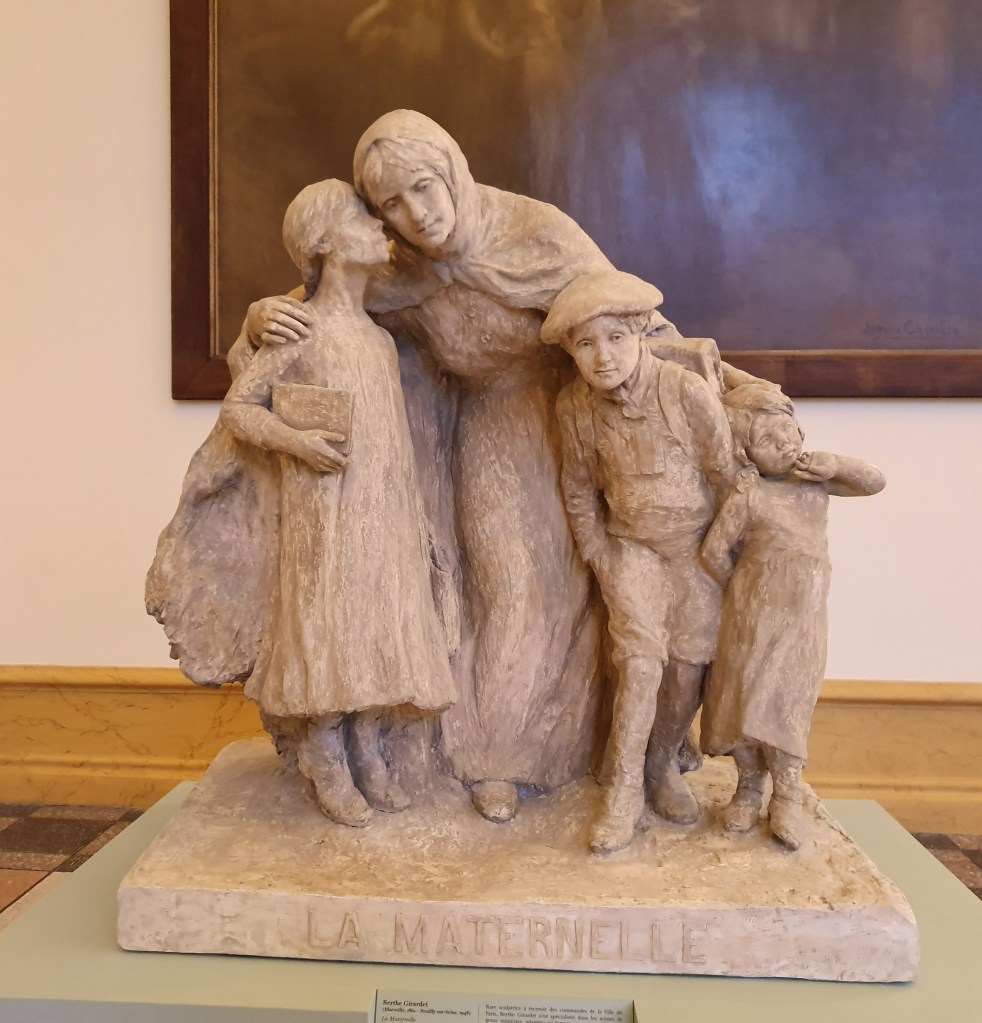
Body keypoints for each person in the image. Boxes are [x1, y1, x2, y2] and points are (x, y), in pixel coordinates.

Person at [235, 110, 617, 824]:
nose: (416, 215)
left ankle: (548, 757)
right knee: (490, 583)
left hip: (557, 412)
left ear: (452, 170)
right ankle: (478, 756)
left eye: (424, 187)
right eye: (391, 204)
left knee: (553, 584)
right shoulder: (394, 265)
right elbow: (311, 306)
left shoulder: (537, 235)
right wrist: (262, 318)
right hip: (466, 420)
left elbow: (623, 317)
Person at [219, 179, 456, 827]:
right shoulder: (301, 329)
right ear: (323, 242)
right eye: (363, 218)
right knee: (328, 622)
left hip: (382, 508)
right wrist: (295, 441)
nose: (380, 226)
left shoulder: (378, 339)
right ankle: (325, 753)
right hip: (324, 512)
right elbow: (241, 409)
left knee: (375, 621)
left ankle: (367, 747)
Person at [542, 270, 736, 853]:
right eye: (585, 344)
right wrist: (600, 554)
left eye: (615, 339)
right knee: (642, 665)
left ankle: (661, 763)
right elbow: (578, 489)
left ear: (641, 334)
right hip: (631, 549)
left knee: (687, 668)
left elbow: (726, 476)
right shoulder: (576, 407)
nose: (602, 357)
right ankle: (624, 791)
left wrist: (720, 554)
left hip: (695, 550)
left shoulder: (684, 393)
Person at [699, 384, 885, 849]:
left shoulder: (815, 482)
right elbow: (715, 551)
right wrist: (746, 584)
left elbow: (874, 481)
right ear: (745, 453)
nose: (783, 444)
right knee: (743, 697)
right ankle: (748, 788)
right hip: (751, 617)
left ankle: (787, 794)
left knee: (788, 699)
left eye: (787, 431)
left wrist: (837, 464)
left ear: (800, 430)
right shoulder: (748, 493)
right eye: (766, 440)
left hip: (802, 619)